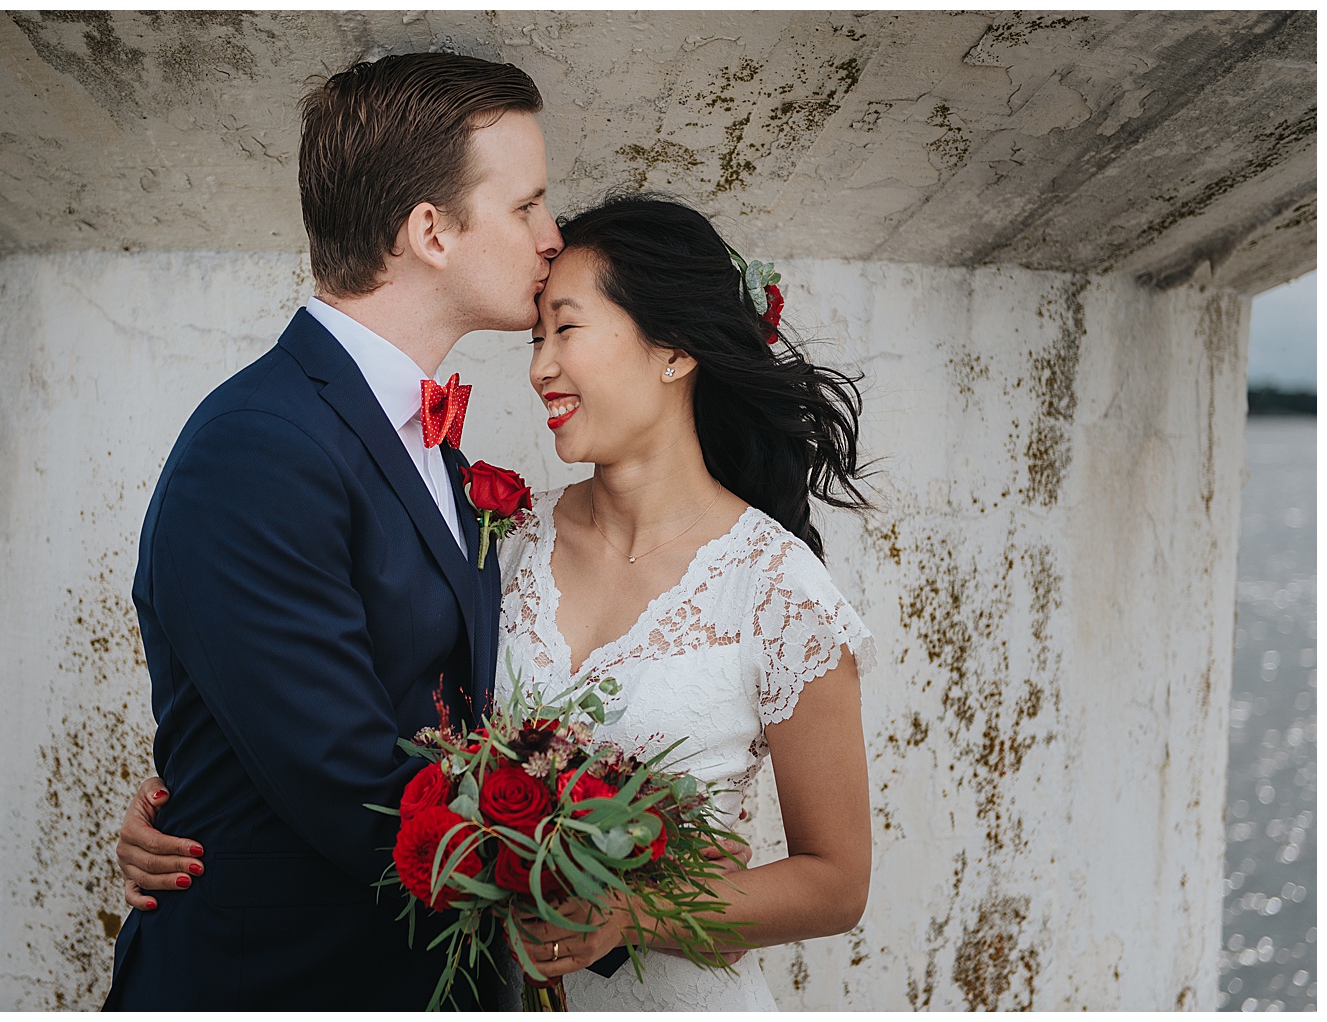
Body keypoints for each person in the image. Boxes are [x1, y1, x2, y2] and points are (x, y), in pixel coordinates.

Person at [100, 51, 560, 1011]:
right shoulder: (260, 447)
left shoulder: (430, 447)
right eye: (527, 206)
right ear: (431, 231)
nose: (551, 237)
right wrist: (608, 868)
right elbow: (353, 791)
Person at [496, 194, 875, 1009]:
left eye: (565, 330)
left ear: (672, 349)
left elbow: (837, 883)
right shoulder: (509, 541)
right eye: (534, 339)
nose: (539, 367)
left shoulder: (777, 587)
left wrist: (630, 913)